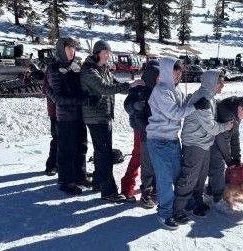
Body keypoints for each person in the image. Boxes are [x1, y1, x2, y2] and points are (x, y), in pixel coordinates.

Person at [146, 57, 209, 230]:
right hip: (158, 141)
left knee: (179, 175)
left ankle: (184, 204)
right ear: (166, 71)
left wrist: (193, 101)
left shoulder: (176, 89)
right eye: (175, 70)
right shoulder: (161, 91)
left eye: (180, 71)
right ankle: (164, 213)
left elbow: (183, 107)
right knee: (165, 180)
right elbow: (174, 113)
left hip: (173, 140)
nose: (178, 74)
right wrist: (195, 107)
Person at [80, 40, 143, 203]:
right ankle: (109, 191)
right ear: (98, 53)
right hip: (95, 116)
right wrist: (129, 86)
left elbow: (115, 84)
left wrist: (134, 87)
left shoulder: (104, 69)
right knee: (105, 153)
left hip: (104, 115)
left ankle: (98, 183)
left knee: (102, 151)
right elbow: (104, 89)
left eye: (109, 52)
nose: (109, 55)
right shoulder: (89, 70)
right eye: (105, 52)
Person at [172, 70, 234, 222]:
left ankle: (196, 202)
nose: (223, 85)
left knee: (201, 177)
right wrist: (226, 126)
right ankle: (177, 209)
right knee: (189, 177)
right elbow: (211, 127)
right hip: (194, 144)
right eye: (220, 82)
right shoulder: (203, 97)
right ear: (211, 82)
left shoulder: (210, 97)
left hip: (204, 143)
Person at [47, 37, 90, 195]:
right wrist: (82, 100)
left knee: (81, 146)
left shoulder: (76, 66)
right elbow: (58, 98)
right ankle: (66, 180)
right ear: (61, 50)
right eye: (69, 48)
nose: (72, 51)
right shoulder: (54, 69)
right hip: (65, 117)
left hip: (80, 115)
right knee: (67, 149)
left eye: (73, 48)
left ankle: (80, 175)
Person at [120, 60, 159, 207]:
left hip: (154, 129)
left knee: (153, 158)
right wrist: (134, 105)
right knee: (139, 156)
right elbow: (127, 105)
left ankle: (153, 187)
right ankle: (127, 187)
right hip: (139, 127)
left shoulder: (158, 87)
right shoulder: (140, 85)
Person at [208, 96, 243, 207]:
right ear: (240, 108)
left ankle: (211, 189)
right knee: (218, 165)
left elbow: (234, 136)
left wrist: (236, 157)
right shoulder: (227, 114)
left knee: (218, 164)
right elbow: (222, 140)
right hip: (211, 138)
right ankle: (219, 198)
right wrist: (229, 160)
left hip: (217, 136)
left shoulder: (236, 112)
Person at [42, 66, 58, 176]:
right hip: (55, 110)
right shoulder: (52, 68)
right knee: (57, 138)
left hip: (70, 110)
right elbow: (45, 88)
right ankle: (51, 165)